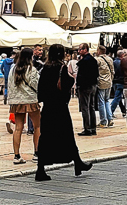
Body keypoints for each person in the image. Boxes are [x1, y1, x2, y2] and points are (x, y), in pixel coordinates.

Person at [35, 43, 92, 182]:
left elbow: (40, 89)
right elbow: (66, 85)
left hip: (48, 108)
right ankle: (77, 163)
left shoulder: (45, 68)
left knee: (46, 137)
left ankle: (41, 169)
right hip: (60, 107)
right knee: (67, 135)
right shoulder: (61, 67)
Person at [7, 47, 41, 165]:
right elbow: (37, 84)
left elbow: (10, 85)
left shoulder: (13, 69)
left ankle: (17, 156)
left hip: (17, 102)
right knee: (37, 126)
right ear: (31, 57)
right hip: (30, 100)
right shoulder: (32, 69)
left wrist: (11, 100)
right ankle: (37, 153)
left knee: (18, 128)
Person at [75, 43, 99, 136]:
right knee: (91, 107)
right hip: (93, 85)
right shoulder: (93, 60)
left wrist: (79, 85)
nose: (79, 51)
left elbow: (81, 75)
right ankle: (93, 128)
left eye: (80, 49)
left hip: (85, 86)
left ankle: (87, 128)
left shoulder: (84, 61)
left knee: (85, 107)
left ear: (85, 50)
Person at [96, 45, 115, 127]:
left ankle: (103, 121)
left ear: (99, 51)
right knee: (107, 100)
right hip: (109, 82)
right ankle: (110, 119)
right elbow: (113, 71)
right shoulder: (110, 59)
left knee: (101, 102)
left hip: (101, 82)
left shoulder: (98, 60)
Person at [110, 49, 127, 118]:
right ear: (122, 55)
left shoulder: (113, 62)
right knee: (117, 97)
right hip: (121, 81)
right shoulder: (123, 63)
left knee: (118, 97)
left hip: (115, 81)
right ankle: (110, 111)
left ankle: (123, 111)